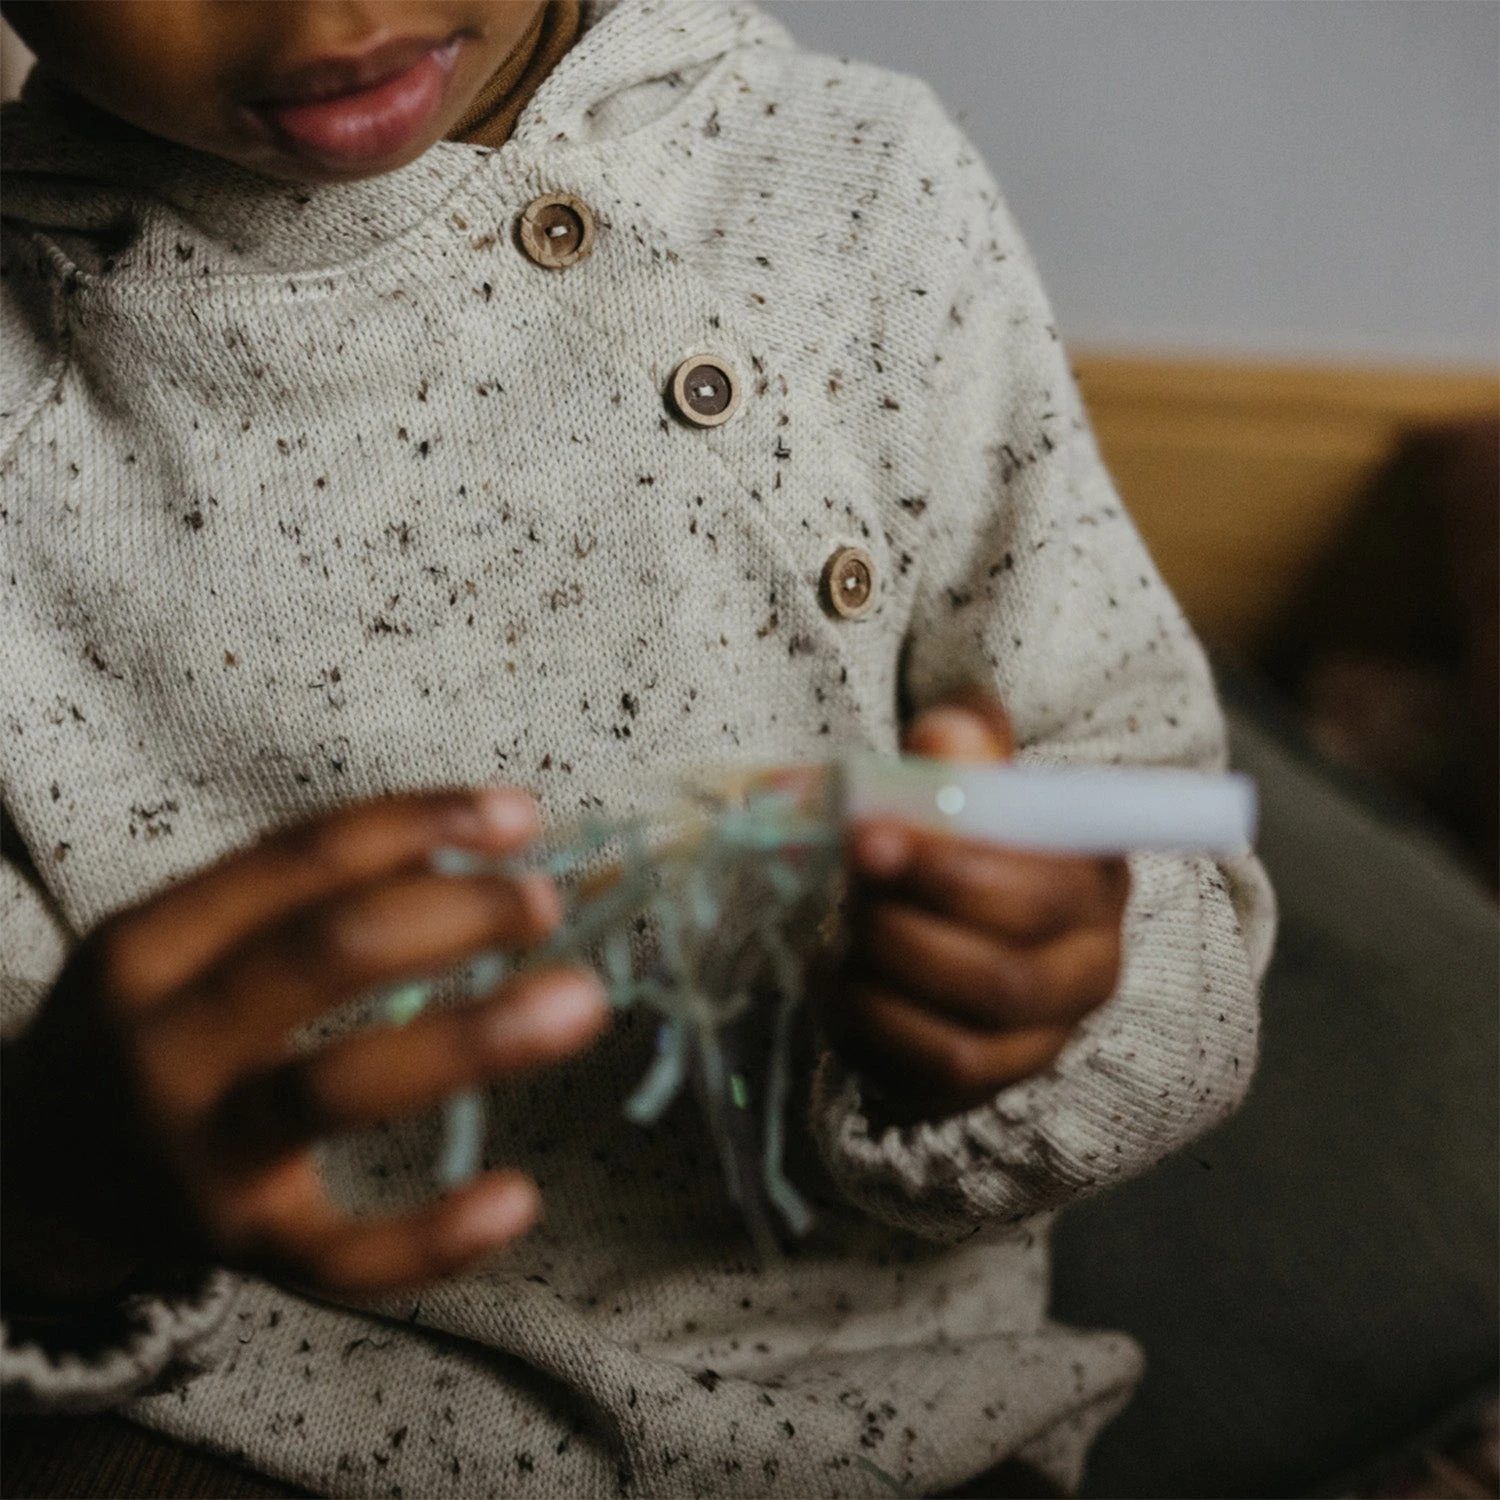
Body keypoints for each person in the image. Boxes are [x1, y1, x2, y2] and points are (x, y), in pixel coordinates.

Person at [0, 2, 1274, 1494]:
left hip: (888, 1430)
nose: (328, 7)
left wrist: (1055, 992)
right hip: (222, 1428)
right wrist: (59, 1197)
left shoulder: (858, 191)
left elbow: (1148, 814)